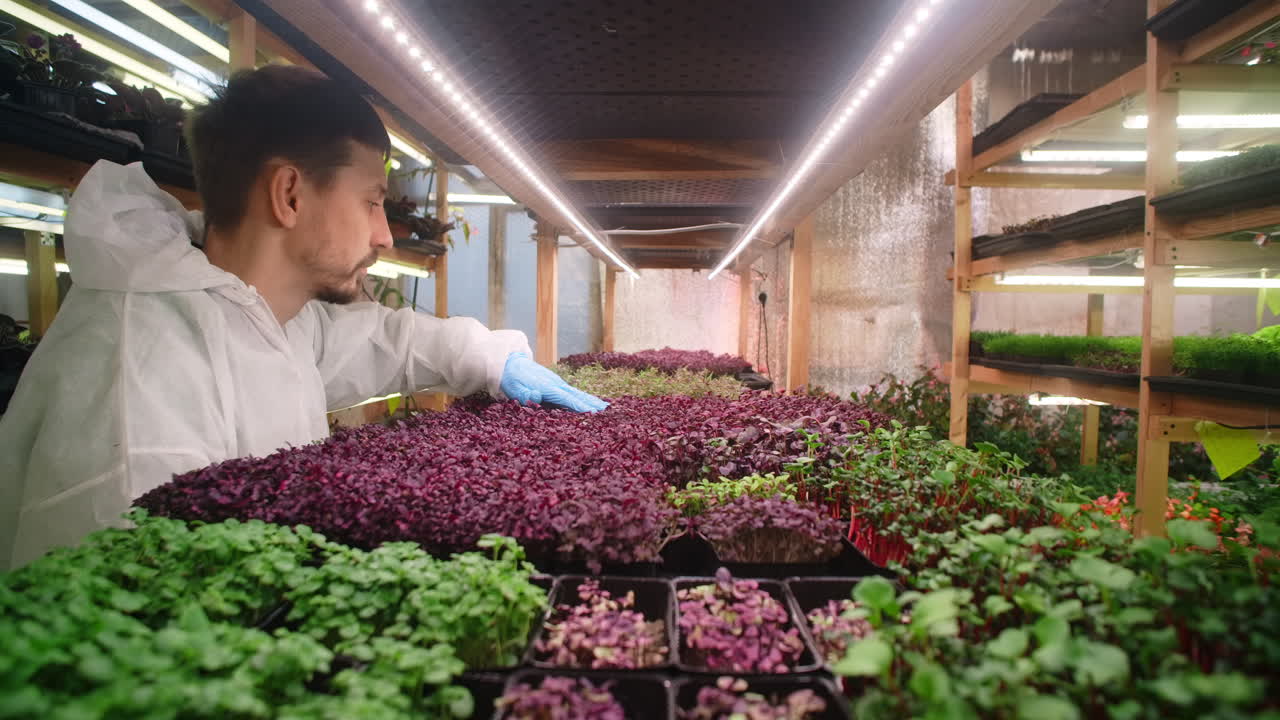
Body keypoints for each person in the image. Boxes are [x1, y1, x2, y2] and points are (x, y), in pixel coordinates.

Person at [0, 65, 606, 569]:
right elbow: (131, 621)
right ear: (289, 194)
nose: (385, 235)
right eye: (371, 202)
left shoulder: (264, 314)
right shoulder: (141, 379)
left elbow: (386, 341)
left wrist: (495, 360)